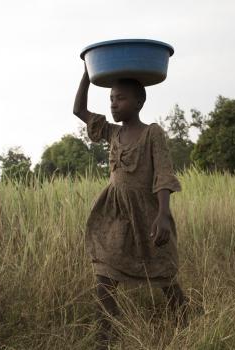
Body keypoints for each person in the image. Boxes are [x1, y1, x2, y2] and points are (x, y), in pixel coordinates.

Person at [73, 65, 187, 347]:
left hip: (148, 215)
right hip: (114, 215)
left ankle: (185, 321)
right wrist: (88, 71)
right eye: (111, 98)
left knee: (164, 275)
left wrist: (163, 213)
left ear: (139, 102)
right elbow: (79, 110)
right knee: (104, 274)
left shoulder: (152, 133)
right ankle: (106, 336)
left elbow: (163, 174)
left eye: (120, 98)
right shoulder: (111, 133)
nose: (113, 103)